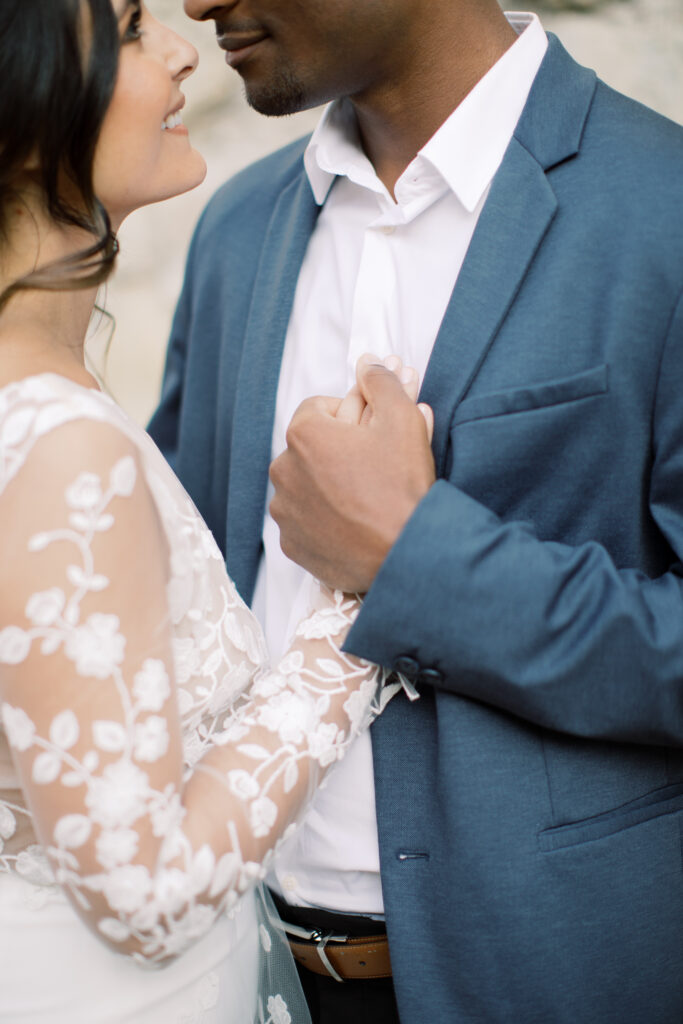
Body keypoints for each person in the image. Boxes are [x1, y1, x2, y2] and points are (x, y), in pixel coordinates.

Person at [149, 0, 683, 1022]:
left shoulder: (661, 211)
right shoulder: (234, 231)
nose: (198, 3)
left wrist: (414, 558)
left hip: (548, 980)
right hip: (246, 980)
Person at [0, 3, 421, 1022]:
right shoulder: (61, 446)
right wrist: (372, 585)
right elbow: (144, 895)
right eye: (135, 29)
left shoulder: (50, 400)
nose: (185, 46)